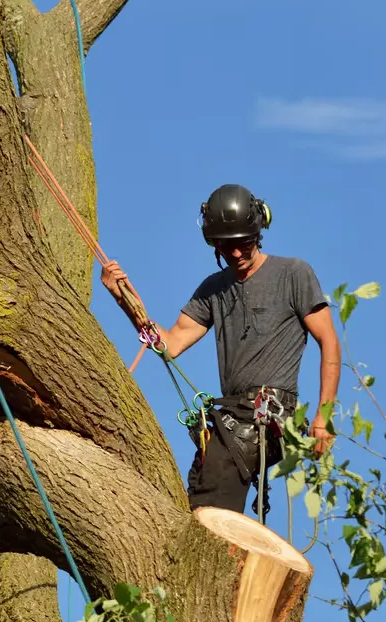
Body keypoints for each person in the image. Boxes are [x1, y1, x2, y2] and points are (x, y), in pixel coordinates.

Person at [100, 183, 341, 517]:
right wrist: (124, 300)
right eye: (226, 248)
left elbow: (329, 342)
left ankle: (216, 555)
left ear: (259, 232)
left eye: (243, 244)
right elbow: (170, 344)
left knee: (215, 490)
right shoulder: (214, 289)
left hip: (269, 413)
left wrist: (323, 418)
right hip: (231, 414)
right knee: (200, 484)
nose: (237, 255)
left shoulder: (293, 273)